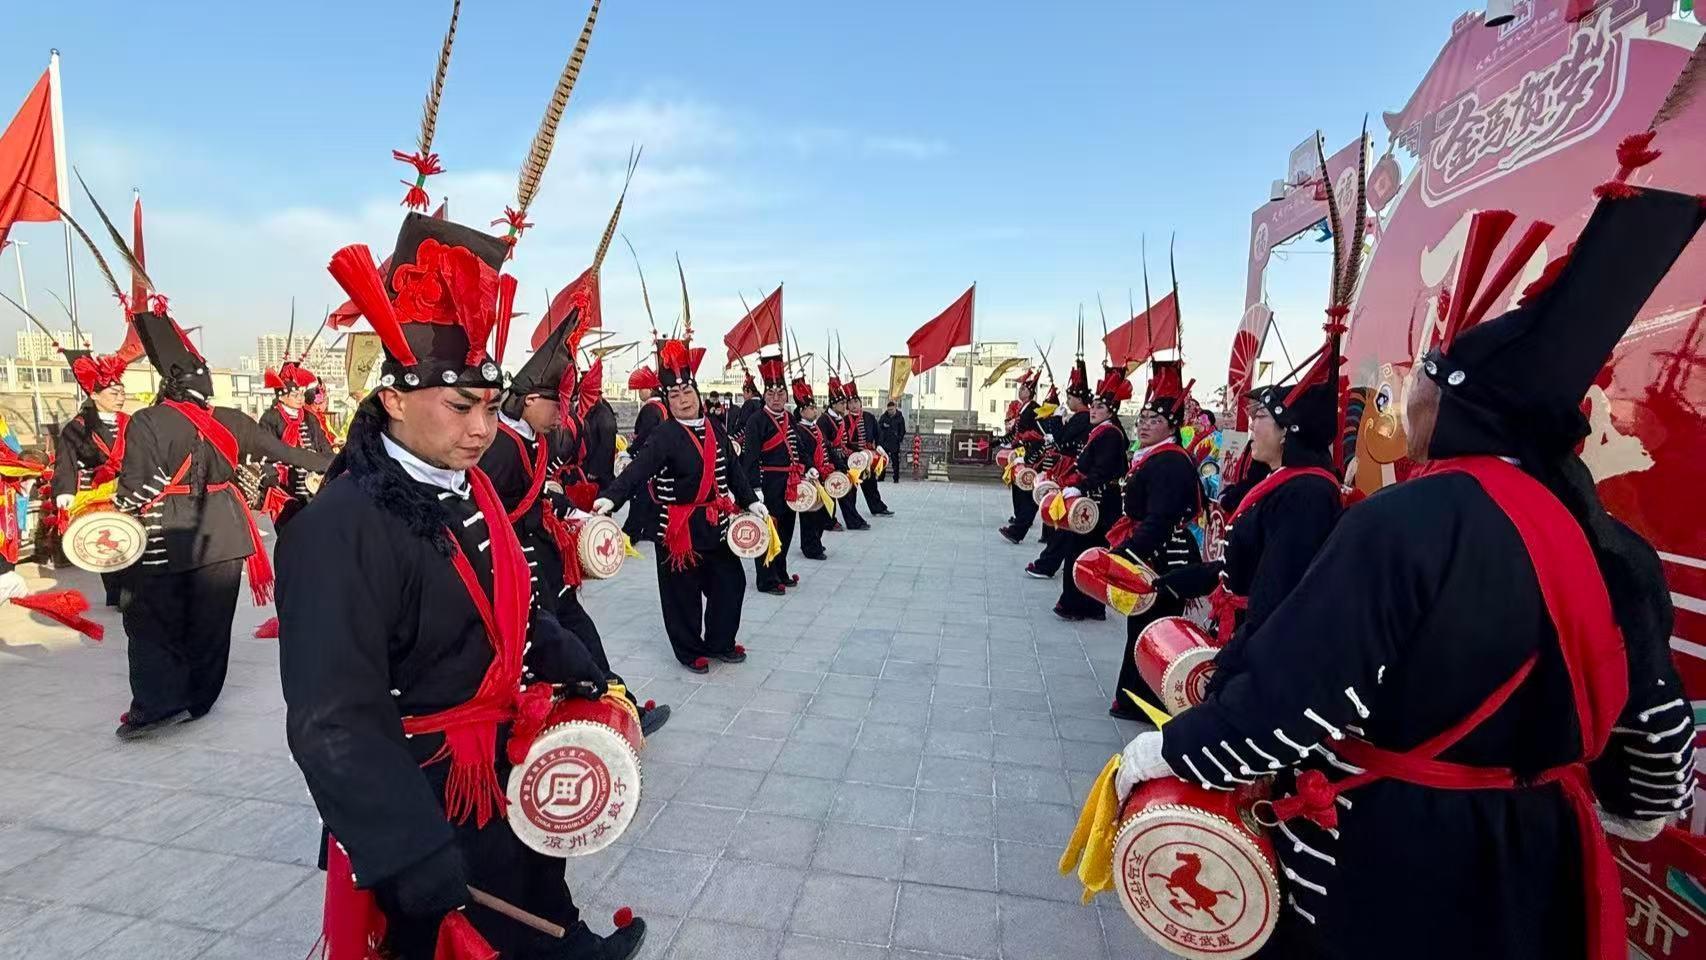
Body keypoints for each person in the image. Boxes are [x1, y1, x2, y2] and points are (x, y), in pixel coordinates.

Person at [1116, 175, 1704, 960]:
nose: (1403, 405)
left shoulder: (1409, 520)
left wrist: (1169, 754)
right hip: (1537, 859)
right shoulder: (1607, 541)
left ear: (1457, 404)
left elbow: (1300, 703)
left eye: (1417, 388)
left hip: (1391, 857)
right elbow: (1655, 759)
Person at [284, 55, 651, 951]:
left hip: (506, 756)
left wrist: (585, 676)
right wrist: (402, 849)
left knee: (533, 885)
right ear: (393, 399)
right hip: (421, 785)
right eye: (461, 406)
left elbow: (518, 610)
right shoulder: (341, 525)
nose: (483, 426)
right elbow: (334, 715)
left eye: (491, 405)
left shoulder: (477, 486)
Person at [113, 306, 330, 740]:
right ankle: (199, 700)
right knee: (210, 623)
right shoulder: (231, 419)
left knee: (152, 620)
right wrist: (346, 462)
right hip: (226, 533)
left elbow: (132, 491)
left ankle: (159, 703)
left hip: (165, 533)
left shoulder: (146, 421)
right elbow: (290, 456)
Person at [479, 310, 670, 736]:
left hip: (546, 561)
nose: (560, 413)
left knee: (579, 634)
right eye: (555, 403)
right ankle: (598, 710)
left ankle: (618, 705)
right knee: (561, 647)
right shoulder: (501, 448)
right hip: (521, 568)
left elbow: (542, 491)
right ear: (529, 399)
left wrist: (575, 511)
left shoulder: (530, 440)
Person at [596, 338, 764, 673]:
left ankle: (720, 641)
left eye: (687, 393)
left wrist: (750, 501)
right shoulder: (665, 434)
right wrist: (612, 498)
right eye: (674, 395)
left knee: (730, 583)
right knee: (681, 594)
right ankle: (689, 650)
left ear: (698, 395)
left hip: (715, 524)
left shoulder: (715, 427)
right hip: (677, 529)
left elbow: (732, 469)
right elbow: (638, 469)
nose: (682, 400)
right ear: (667, 400)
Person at [1104, 372, 1200, 715]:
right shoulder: (1155, 456)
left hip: (1163, 556)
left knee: (1154, 628)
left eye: (1155, 420)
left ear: (1171, 427)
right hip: (1150, 549)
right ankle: (1133, 695)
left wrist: (1126, 556)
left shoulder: (1170, 461)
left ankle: (1144, 699)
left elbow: (1159, 520)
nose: (1144, 425)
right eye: (1142, 418)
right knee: (1140, 627)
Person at [51, 344, 132, 606]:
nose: (119, 396)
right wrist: (65, 492)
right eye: (113, 392)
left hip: (125, 490)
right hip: (94, 492)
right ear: (94, 395)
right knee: (105, 542)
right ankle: (117, 592)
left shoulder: (131, 422)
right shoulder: (77, 427)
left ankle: (126, 591)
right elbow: (66, 463)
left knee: (128, 541)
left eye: (121, 391)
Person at [1049, 362, 1130, 623]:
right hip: (1094, 498)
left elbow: (1102, 472)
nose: (1094, 410)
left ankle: (1078, 604)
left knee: (1083, 552)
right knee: (1086, 551)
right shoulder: (1103, 432)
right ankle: (1089, 605)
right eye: (1093, 406)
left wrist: (1080, 486)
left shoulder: (1110, 434)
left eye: (1100, 407)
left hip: (1099, 501)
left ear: (1112, 411)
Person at [740, 345, 801, 595]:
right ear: (764, 395)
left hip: (789, 481)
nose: (776, 397)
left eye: (780, 392)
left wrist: (807, 469)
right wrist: (754, 489)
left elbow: (798, 447)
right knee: (768, 529)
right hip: (768, 482)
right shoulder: (757, 420)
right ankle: (766, 578)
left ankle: (780, 570)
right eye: (771, 393)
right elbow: (750, 457)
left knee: (786, 528)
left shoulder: (790, 418)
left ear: (786, 396)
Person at [1026, 356, 1093, 580]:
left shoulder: (1082, 419)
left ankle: (1049, 563)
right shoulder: (1079, 418)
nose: (1068, 400)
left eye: (1070, 396)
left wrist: (1055, 423)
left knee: (1064, 522)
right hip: (1066, 471)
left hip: (1072, 474)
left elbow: (1061, 440)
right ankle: (1049, 561)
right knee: (1060, 521)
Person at [258, 358, 336, 529]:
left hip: (313, 485)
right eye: (295, 394)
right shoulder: (271, 418)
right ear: (282, 397)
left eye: (301, 393)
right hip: (286, 487)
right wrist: (272, 480)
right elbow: (263, 452)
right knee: (289, 531)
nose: (301, 398)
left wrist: (331, 464)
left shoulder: (309, 418)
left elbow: (323, 445)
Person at [998, 369, 1046, 543]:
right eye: (1020, 389)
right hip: (1021, 452)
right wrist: (998, 442)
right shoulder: (1021, 408)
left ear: (1031, 392)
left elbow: (1039, 434)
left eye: (1025, 389)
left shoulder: (1034, 408)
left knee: (1027, 491)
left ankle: (1020, 526)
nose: (1021, 391)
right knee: (1018, 488)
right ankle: (1019, 519)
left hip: (1031, 454)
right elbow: (1016, 434)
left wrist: (1030, 458)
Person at [621, 366, 667, 544]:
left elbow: (645, 435)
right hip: (659, 459)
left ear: (649, 389)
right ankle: (650, 529)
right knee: (653, 494)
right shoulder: (662, 407)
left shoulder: (650, 409)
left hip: (647, 457)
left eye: (641, 389)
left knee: (639, 495)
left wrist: (630, 451)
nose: (639, 393)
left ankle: (630, 532)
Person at [791, 378, 832, 562]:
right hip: (807, 476)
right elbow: (800, 453)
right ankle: (810, 546)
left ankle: (815, 540)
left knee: (821, 513)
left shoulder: (815, 428)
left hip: (820, 473)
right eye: (811, 407)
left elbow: (826, 448)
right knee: (809, 514)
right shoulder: (798, 430)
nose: (815, 410)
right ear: (802, 411)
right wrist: (809, 469)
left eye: (815, 407)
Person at [819, 377, 867, 531]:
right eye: (842, 403)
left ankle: (852, 519)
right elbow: (824, 444)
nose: (845, 406)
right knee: (833, 491)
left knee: (849, 490)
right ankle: (829, 521)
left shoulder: (839, 419)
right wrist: (837, 461)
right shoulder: (824, 420)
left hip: (842, 458)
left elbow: (844, 442)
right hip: (829, 461)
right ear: (833, 404)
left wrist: (858, 450)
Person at [848, 382, 893, 517]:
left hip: (868, 457)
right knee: (852, 488)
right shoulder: (844, 420)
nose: (854, 405)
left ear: (861, 403)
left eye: (856, 401)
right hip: (853, 458)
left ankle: (877, 508)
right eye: (850, 402)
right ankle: (852, 514)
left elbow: (879, 433)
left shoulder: (869, 417)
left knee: (871, 484)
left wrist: (879, 446)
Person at [877, 400, 906, 483]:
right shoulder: (884, 416)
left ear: (895, 408)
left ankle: (896, 478)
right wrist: (883, 425)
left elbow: (903, 430)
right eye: (889, 410)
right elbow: (878, 426)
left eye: (892, 410)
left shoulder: (900, 417)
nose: (890, 411)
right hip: (884, 442)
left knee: (895, 461)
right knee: (882, 460)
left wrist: (899, 438)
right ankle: (881, 477)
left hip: (894, 442)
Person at [728, 369, 762, 438]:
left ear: (749, 391)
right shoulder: (762, 403)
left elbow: (742, 423)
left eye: (744, 392)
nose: (743, 395)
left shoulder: (749, 404)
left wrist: (731, 435)